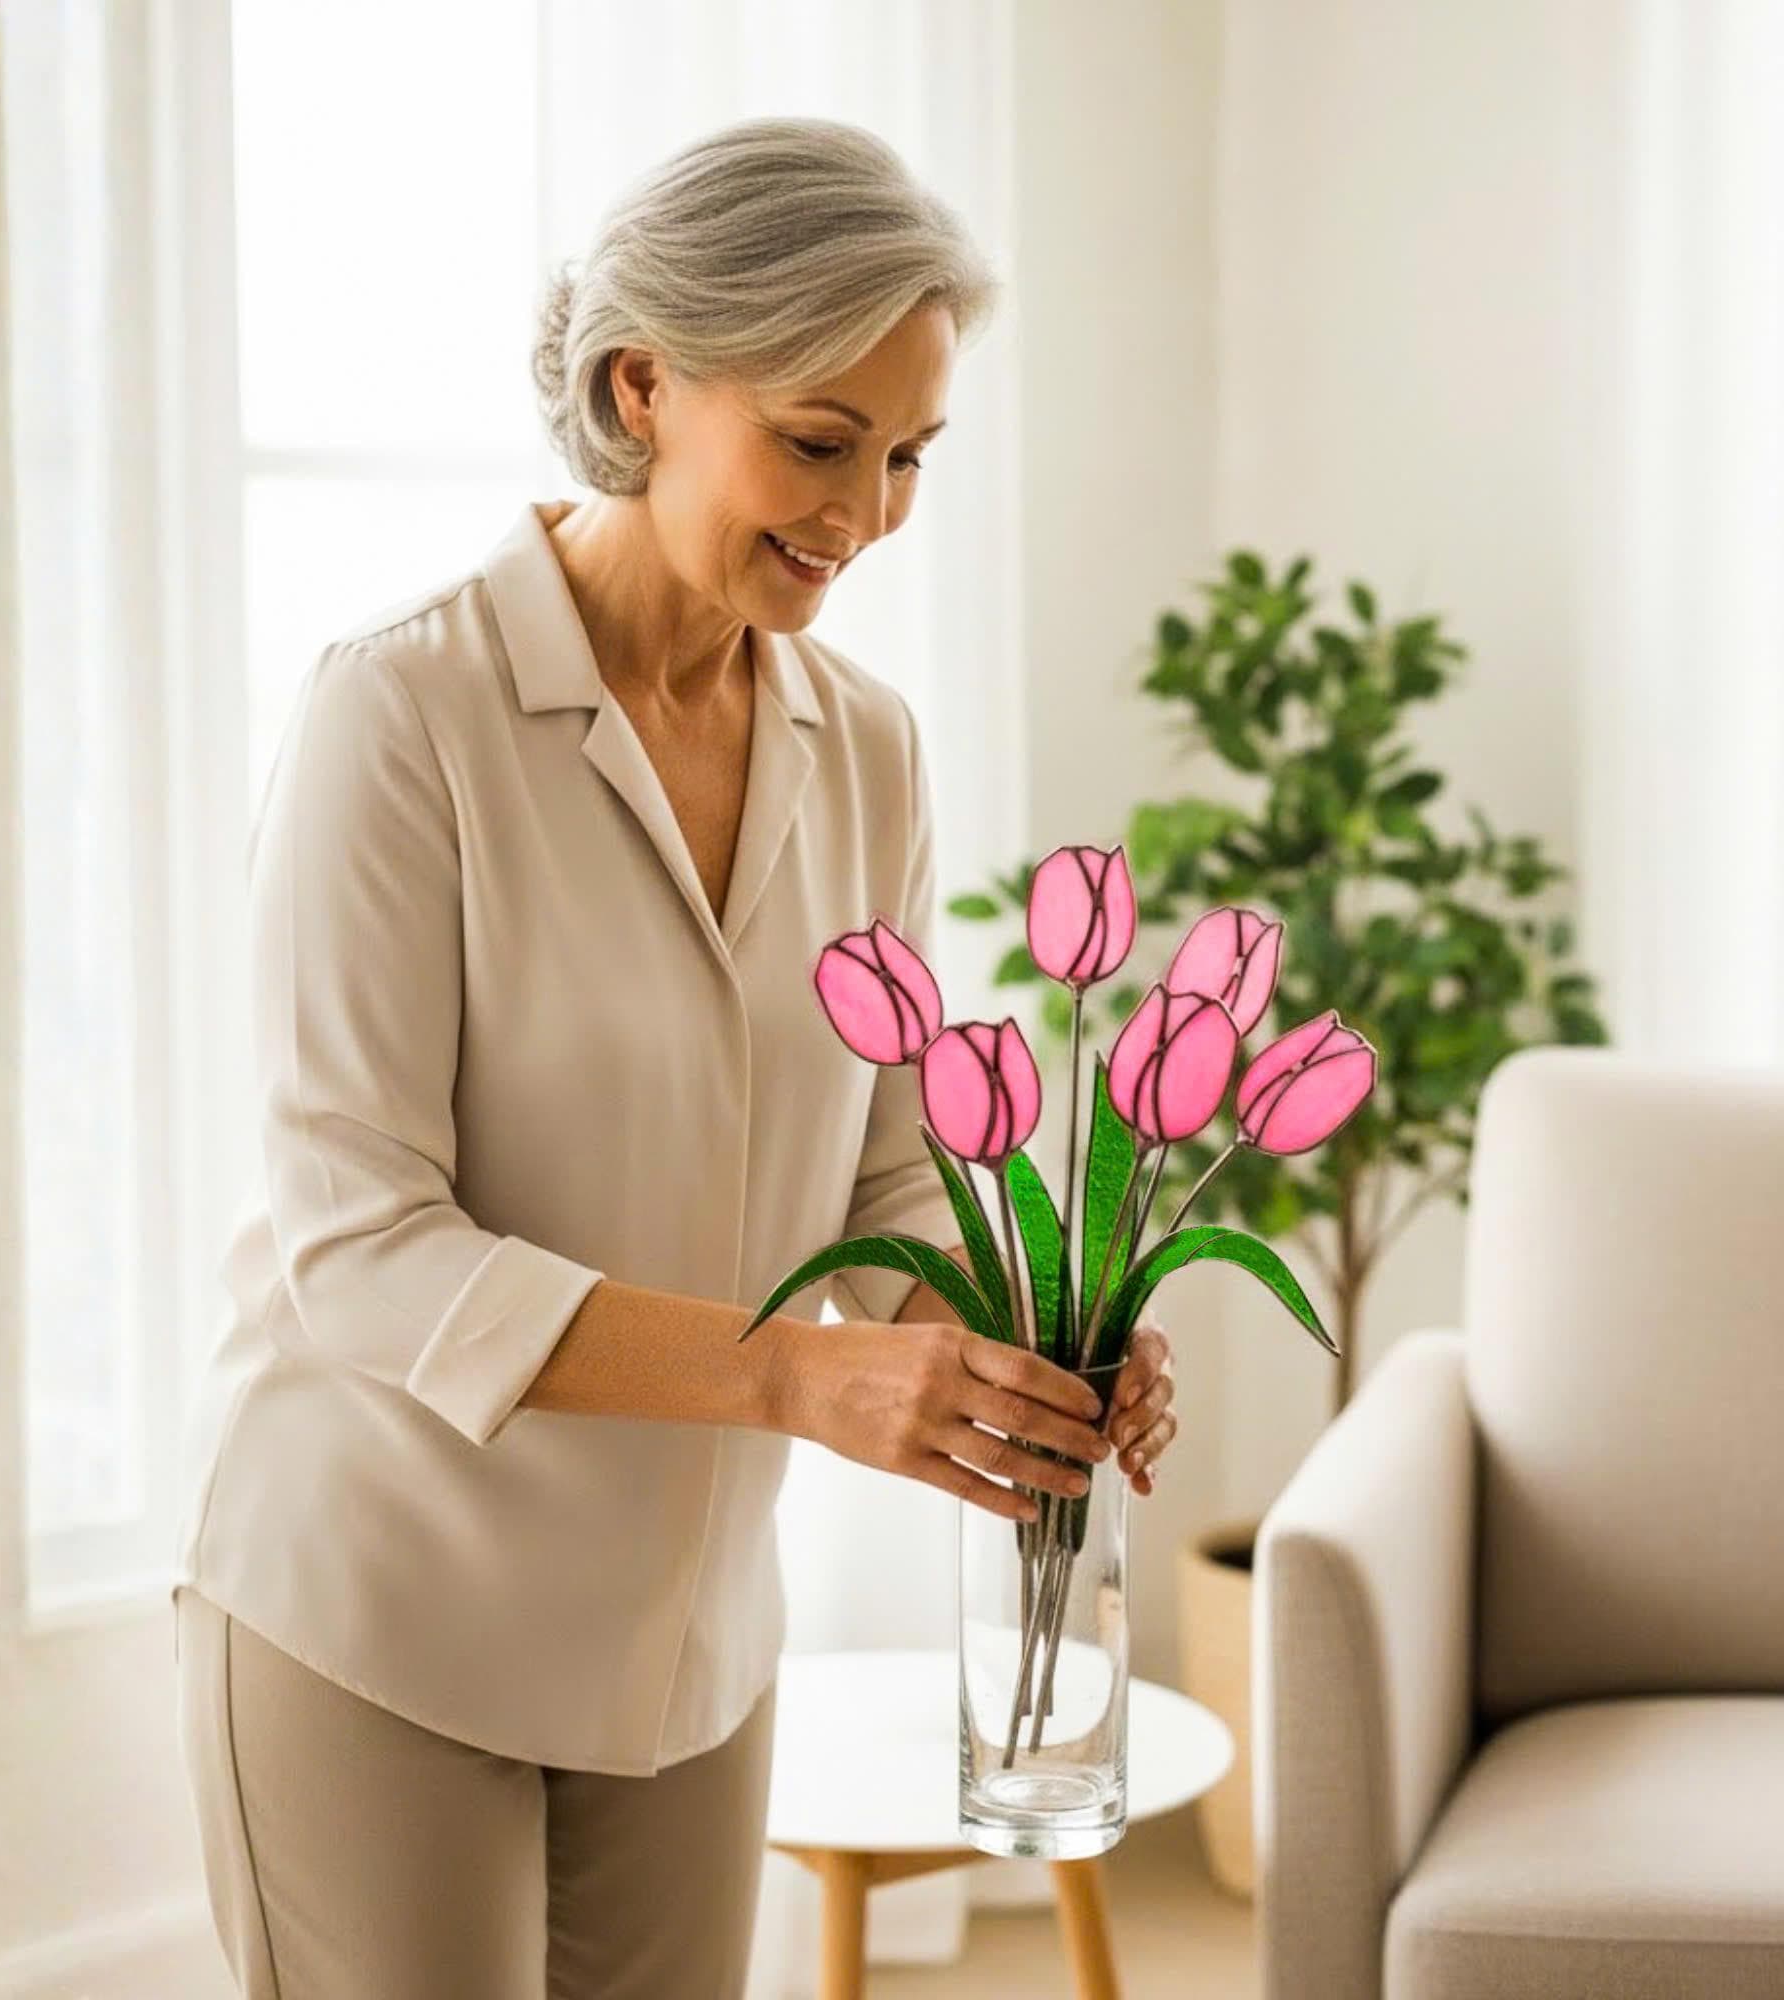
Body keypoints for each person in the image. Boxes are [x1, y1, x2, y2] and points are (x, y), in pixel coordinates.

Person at [171, 114, 1180, 1999]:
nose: (866, 513)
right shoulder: (402, 715)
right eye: (819, 441)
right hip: (378, 1610)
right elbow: (363, 1246)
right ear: (642, 387)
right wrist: (802, 1376)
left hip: (687, 1649)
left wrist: (1035, 1350)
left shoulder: (867, 746)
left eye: (909, 457)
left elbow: (892, 1173)